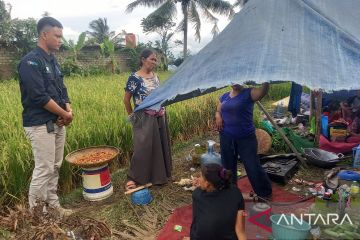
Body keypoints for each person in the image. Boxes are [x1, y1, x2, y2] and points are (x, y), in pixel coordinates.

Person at [18, 17, 73, 216]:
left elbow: (62, 89)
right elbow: (39, 97)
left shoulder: (53, 61)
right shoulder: (30, 62)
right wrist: (64, 114)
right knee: (44, 169)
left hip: (58, 122)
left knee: (55, 167)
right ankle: (37, 217)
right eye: (57, 36)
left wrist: (68, 111)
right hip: (40, 124)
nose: (60, 40)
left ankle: (54, 207)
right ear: (44, 34)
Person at [123, 49, 172, 190]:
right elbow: (126, 100)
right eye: (152, 59)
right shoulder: (134, 78)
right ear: (143, 60)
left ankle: (158, 177)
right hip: (143, 117)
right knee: (142, 147)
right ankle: (135, 177)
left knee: (158, 146)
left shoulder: (156, 77)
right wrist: (132, 116)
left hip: (159, 115)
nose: (154, 62)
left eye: (155, 60)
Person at [215, 83, 272, 199]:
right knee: (227, 166)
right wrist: (218, 117)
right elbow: (218, 110)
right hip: (226, 137)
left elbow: (263, 92)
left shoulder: (249, 93)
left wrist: (266, 81)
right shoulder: (224, 96)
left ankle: (264, 193)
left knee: (252, 166)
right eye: (233, 81)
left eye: (238, 80)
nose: (235, 83)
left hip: (246, 138)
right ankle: (230, 192)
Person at [190, 163, 246, 240]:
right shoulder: (236, 192)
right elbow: (240, 230)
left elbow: (198, 223)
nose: (198, 179)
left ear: (207, 184)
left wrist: (199, 188)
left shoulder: (197, 194)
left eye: (200, 176)